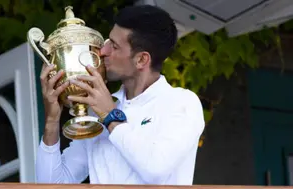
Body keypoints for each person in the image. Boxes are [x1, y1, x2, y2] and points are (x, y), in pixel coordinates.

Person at [36, 5, 205, 185]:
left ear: (141, 59)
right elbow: (52, 184)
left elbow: (156, 170)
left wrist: (111, 116)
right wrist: (52, 122)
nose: (103, 51)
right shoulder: (98, 110)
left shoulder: (182, 102)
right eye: (108, 41)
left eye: (114, 46)